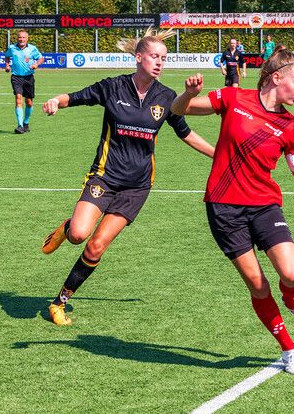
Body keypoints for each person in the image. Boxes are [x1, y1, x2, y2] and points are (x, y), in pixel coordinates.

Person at [170, 48, 294, 376]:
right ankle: (288, 350)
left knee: (291, 276)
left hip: (265, 206)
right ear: (276, 77)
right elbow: (178, 109)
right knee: (257, 285)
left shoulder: (290, 127)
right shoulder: (232, 97)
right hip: (224, 208)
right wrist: (189, 93)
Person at [39, 28, 215, 326]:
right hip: (104, 178)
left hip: (136, 187)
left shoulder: (166, 97)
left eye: (164, 58)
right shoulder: (113, 87)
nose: (160, 63)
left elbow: (185, 133)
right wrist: (56, 100)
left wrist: (218, 154)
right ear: (139, 57)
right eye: (154, 57)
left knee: (96, 246)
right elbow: (77, 97)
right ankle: (68, 227)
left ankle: (60, 301)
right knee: (80, 235)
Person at [5, 30, 44, 134]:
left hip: (28, 78)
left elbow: (41, 58)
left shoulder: (32, 48)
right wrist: (7, 65)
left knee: (29, 103)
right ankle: (20, 126)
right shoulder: (12, 48)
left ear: (27, 38)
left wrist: (36, 64)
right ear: (17, 38)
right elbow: (7, 56)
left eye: (23, 37)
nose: (21, 39)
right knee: (18, 99)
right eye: (19, 37)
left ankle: (26, 123)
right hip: (16, 77)